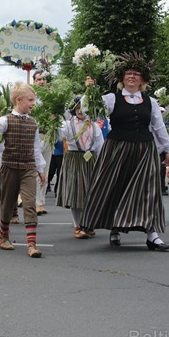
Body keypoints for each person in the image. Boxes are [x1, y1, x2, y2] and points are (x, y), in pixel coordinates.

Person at [79, 54, 169, 252]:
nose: (132, 76)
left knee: (148, 190)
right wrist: (89, 90)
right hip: (117, 149)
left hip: (144, 149)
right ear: (122, 78)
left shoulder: (151, 102)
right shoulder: (112, 98)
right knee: (116, 186)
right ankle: (114, 228)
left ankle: (152, 234)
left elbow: (158, 126)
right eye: (128, 73)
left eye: (136, 74)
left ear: (143, 79)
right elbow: (90, 112)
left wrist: (167, 149)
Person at [0, 82, 47, 258]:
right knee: (8, 202)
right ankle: (3, 235)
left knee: (29, 203)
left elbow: (36, 148)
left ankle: (32, 244)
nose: (33, 103)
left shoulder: (33, 122)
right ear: (19, 100)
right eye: (30, 100)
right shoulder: (5, 120)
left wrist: (41, 169)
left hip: (28, 167)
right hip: (10, 166)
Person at [57, 98, 104, 239]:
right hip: (74, 159)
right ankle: (77, 225)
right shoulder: (67, 124)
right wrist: (53, 123)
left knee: (90, 194)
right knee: (75, 193)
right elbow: (59, 136)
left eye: (83, 108)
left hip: (89, 161)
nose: (80, 111)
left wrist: (100, 162)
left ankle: (88, 224)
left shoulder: (94, 126)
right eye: (77, 108)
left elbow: (99, 145)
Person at [32, 69, 52, 215]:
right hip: (35, 136)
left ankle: (41, 201)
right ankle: (36, 202)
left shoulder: (52, 97)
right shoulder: (30, 97)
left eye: (43, 79)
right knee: (36, 169)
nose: (41, 81)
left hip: (49, 135)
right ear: (34, 81)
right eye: (38, 79)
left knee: (46, 169)